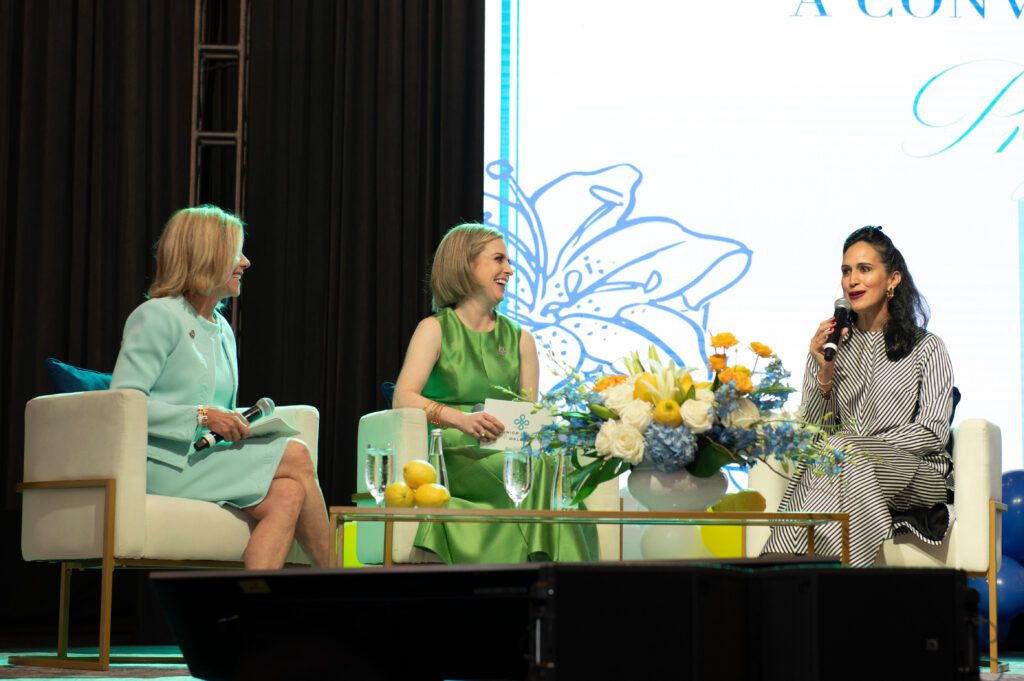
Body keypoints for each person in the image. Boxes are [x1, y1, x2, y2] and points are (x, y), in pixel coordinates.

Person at [110, 205, 330, 569]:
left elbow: (217, 408)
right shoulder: (156, 316)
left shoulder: (222, 328)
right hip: (162, 461)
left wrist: (236, 424)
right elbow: (124, 404)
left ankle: (249, 617)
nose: (245, 262)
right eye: (236, 253)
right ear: (205, 255)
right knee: (296, 453)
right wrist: (202, 415)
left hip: (201, 458)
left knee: (288, 493)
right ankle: (335, 578)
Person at [393, 222, 598, 563]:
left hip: (506, 447)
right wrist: (459, 419)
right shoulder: (434, 329)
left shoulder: (521, 338)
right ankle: (551, 571)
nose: (509, 270)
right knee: (529, 468)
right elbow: (404, 397)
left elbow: (529, 417)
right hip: (454, 450)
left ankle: (552, 577)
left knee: (548, 464)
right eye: (499, 260)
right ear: (465, 265)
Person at [760, 226, 954, 567]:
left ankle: (777, 562)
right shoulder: (832, 347)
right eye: (846, 271)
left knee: (843, 450)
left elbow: (932, 432)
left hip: (918, 473)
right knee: (838, 455)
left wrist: (858, 444)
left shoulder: (926, 347)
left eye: (865, 269)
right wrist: (824, 371)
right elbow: (812, 429)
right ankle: (841, 577)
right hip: (849, 467)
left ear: (893, 279)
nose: (852, 280)